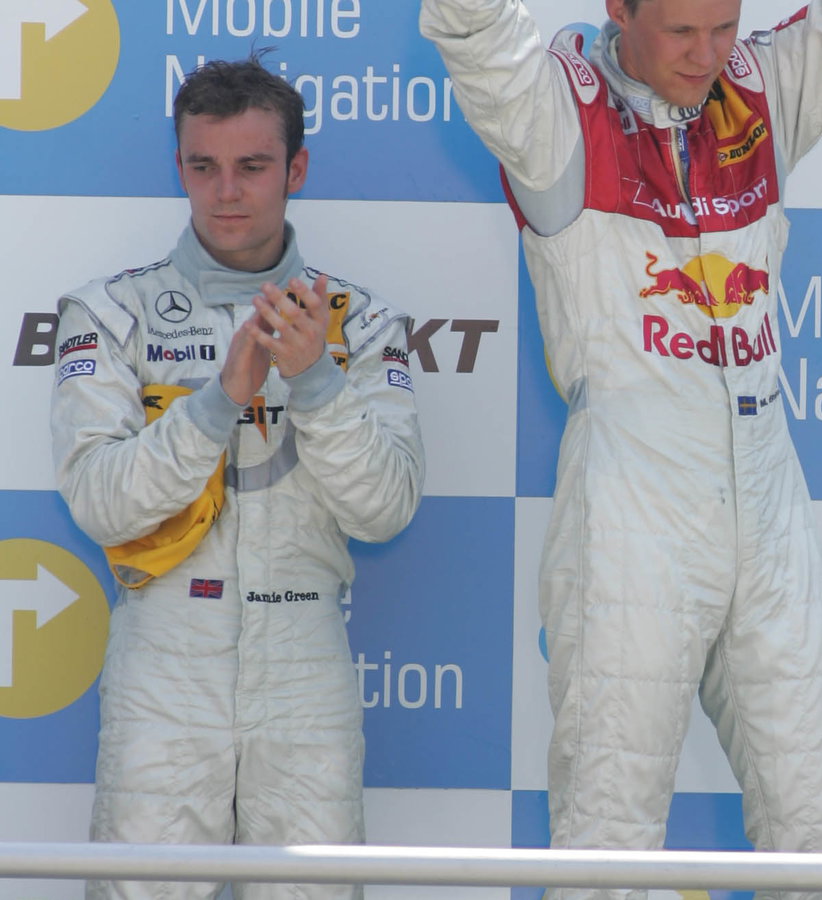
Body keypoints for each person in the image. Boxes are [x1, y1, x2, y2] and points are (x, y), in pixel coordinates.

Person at [421, 0, 822, 891]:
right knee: (609, 837)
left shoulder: (762, 87)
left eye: (723, 26)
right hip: (634, 498)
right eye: (680, 32)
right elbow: (478, 36)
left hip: (768, 493)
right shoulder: (558, 115)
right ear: (618, 10)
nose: (706, 55)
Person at [51, 56, 424, 899]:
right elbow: (100, 502)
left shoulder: (361, 324)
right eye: (203, 166)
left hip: (305, 662)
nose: (226, 192)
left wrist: (317, 381)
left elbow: (386, 511)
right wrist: (218, 403)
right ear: (179, 167)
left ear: (297, 168)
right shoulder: (110, 313)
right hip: (164, 662)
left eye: (252, 166)